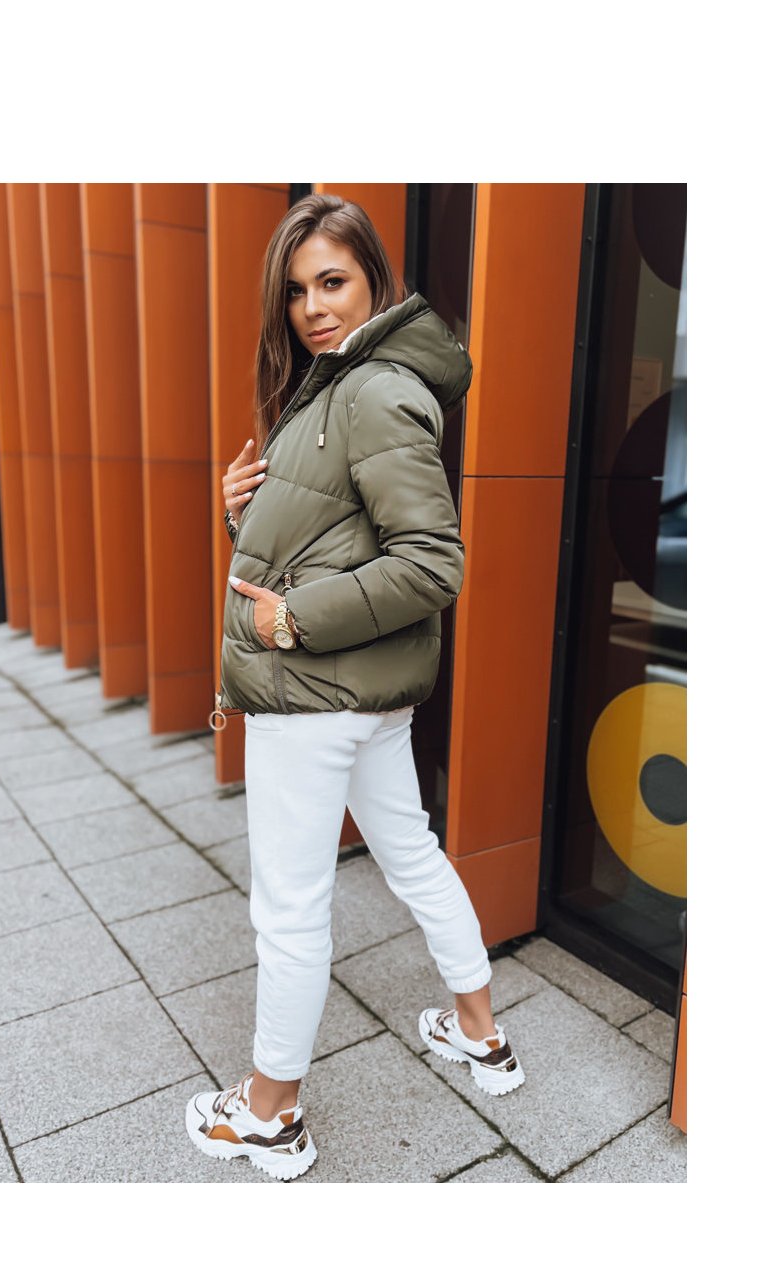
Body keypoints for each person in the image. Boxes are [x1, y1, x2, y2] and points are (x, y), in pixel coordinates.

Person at [185, 194, 525, 1181]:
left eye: (332, 281)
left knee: (289, 908)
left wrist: (290, 620)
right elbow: (330, 539)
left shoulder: (370, 392)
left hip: (310, 696)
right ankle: (480, 1034)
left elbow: (431, 562)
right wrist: (240, 516)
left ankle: (270, 1115)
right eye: (296, 292)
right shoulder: (338, 387)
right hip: (361, 697)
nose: (313, 308)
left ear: (375, 278)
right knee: (410, 852)